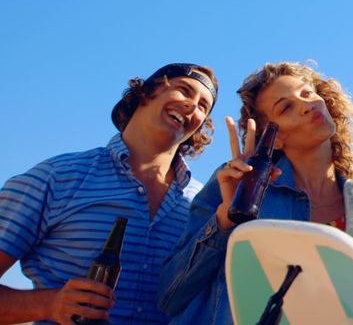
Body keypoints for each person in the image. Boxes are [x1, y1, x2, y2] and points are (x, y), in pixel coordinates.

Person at [158, 62, 353, 323]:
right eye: (286, 107)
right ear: (275, 138)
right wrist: (225, 220)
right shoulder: (240, 184)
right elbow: (170, 296)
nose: (307, 105)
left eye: (307, 93)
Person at [0, 63, 217, 325]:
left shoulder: (204, 203)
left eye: (204, 106)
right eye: (184, 90)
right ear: (146, 92)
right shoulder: (57, 177)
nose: (193, 107)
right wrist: (50, 304)